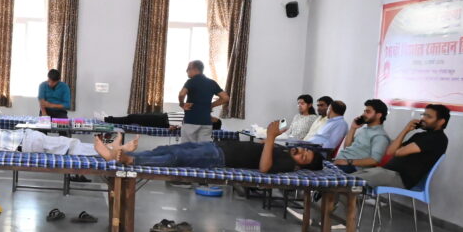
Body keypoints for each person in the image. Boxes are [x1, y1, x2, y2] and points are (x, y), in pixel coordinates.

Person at [114, 120, 323, 174]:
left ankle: (131, 159)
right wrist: (271, 138)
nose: (301, 152)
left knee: (177, 159)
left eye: (304, 157)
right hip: (218, 146)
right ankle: (123, 154)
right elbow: (262, 148)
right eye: (305, 150)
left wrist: (270, 139)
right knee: (168, 150)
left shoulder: (288, 164)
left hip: (220, 157)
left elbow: (264, 167)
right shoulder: (285, 152)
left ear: (301, 166)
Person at [352, 104, 449, 189]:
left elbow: (398, 152)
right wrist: (406, 130)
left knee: (349, 182)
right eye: (423, 115)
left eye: (429, 116)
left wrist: (400, 150)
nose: (423, 118)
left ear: (441, 122)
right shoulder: (420, 136)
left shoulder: (437, 138)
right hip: (386, 172)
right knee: (348, 178)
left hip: (400, 178)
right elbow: (390, 151)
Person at [0, 122, 122, 159]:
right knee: (68, 145)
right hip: (23, 142)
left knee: (65, 144)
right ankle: (106, 150)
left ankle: (107, 149)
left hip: (24, 137)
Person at [333, 99, 391, 173]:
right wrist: (353, 128)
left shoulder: (380, 136)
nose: (363, 114)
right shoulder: (365, 130)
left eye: (368, 112)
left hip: (352, 168)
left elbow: (374, 160)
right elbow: (347, 147)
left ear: (378, 115)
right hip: (340, 162)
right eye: (364, 111)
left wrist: (348, 162)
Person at [178, 60, 229, 143]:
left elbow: (181, 94)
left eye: (188, 68)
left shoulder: (190, 82)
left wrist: (181, 104)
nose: (186, 71)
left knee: (187, 148)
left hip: (191, 122)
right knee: (204, 148)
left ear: (195, 69)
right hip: (206, 123)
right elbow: (225, 98)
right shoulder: (212, 83)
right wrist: (211, 105)